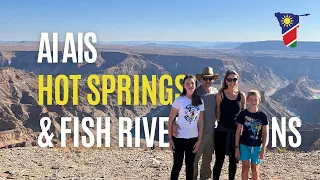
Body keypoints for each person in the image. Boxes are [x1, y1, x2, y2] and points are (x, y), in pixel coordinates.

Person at [173, 67, 219, 180]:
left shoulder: (216, 92)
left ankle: (205, 178)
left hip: (211, 131)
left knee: (208, 159)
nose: (208, 81)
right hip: (196, 133)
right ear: (201, 79)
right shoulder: (195, 92)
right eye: (205, 78)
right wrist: (174, 122)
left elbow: (219, 110)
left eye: (210, 78)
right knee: (194, 160)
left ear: (213, 79)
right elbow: (180, 107)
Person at [168, 74, 205, 180]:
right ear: (184, 86)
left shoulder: (199, 101)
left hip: (193, 139)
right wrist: (170, 139)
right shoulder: (179, 100)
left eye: (192, 83)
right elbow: (171, 120)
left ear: (195, 84)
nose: (190, 85)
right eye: (187, 83)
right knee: (177, 165)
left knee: (190, 166)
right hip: (179, 138)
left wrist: (199, 140)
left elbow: (201, 122)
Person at [212, 69, 246, 180]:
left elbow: (243, 114)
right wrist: (221, 123)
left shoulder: (242, 96)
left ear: (237, 80)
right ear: (225, 81)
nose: (232, 82)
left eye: (234, 79)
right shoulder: (220, 95)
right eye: (229, 79)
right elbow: (218, 112)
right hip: (222, 130)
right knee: (219, 160)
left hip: (235, 132)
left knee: (233, 161)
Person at [235, 90, 269, 180]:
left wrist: (263, 148)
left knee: (255, 168)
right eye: (251, 99)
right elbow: (238, 131)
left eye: (255, 100)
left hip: (257, 145)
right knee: (245, 168)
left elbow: (265, 133)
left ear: (259, 101)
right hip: (244, 144)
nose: (253, 102)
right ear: (247, 100)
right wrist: (236, 147)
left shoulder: (262, 116)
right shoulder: (243, 114)